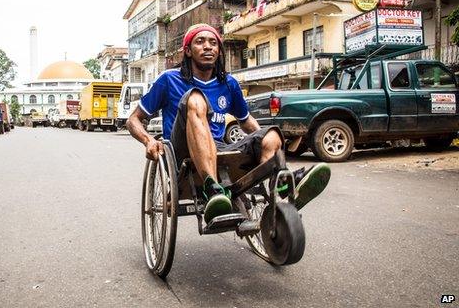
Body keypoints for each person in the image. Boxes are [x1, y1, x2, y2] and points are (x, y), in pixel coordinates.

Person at [127, 24, 331, 224]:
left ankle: (281, 187)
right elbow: (133, 120)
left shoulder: (228, 83)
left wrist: (266, 142)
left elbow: (245, 121)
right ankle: (212, 189)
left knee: (272, 134)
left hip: (219, 147)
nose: (208, 46)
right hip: (182, 151)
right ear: (188, 51)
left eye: (213, 42)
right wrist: (148, 141)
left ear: (219, 50)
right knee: (195, 98)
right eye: (200, 42)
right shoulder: (169, 80)